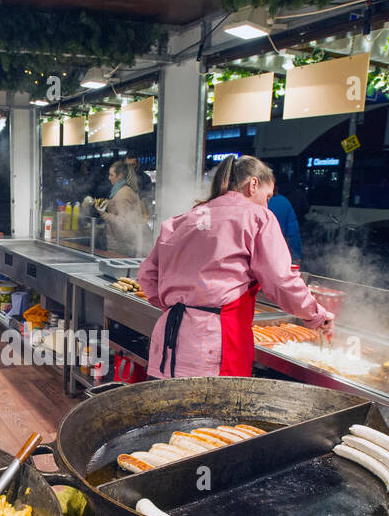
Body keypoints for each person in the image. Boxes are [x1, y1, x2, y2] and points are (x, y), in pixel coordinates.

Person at [138, 155, 333, 378]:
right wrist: (316, 314)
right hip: (214, 346)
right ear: (253, 185)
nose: (267, 204)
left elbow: (146, 275)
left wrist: (177, 307)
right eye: (267, 196)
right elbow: (280, 280)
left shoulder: (182, 219)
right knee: (212, 412)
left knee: (165, 410)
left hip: (167, 339)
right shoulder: (258, 217)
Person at [97, 160, 147, 257]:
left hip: (121, 247)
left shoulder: (122, 194)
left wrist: (104, 214)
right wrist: (108, 203)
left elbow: (123, 221)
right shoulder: (123, 190)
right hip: (125, 244)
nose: (109, 178)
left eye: (112, 175)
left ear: (119, 176)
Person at [266, 184, 302, 264]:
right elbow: (293, 233)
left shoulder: (252, 203)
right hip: (278, 253)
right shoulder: (284, 202)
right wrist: (296, 257)